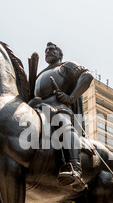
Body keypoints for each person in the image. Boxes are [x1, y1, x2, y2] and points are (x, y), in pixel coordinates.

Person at [31, 42, 93, 190]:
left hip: (58, 107)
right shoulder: (39, 75)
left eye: (52, 50)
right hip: (36, 108)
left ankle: (75, 167)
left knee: (63, 125)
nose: (48, 52)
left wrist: (71, 97)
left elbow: (87, 76)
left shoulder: (66, 67)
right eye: (46, 50)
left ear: (60, 54)